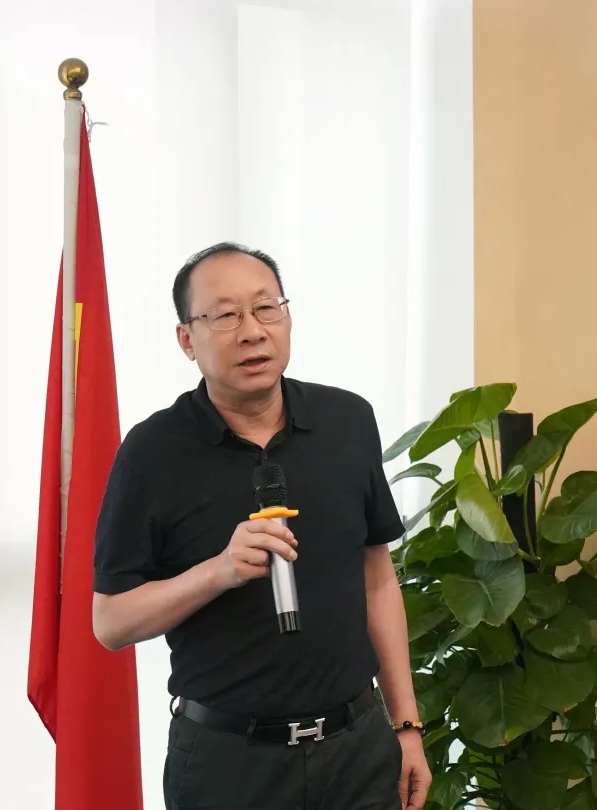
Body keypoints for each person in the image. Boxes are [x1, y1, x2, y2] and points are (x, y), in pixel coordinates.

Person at [92, 242, 431, 810]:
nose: (252, 332)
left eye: (266, 308)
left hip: (357, 751)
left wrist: (406, 725)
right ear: (186, 339)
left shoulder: (348, 421)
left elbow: (377, 581)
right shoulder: (152, 453)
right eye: (225, 316)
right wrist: (218, 572)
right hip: (228, 763)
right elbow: (111, 622)